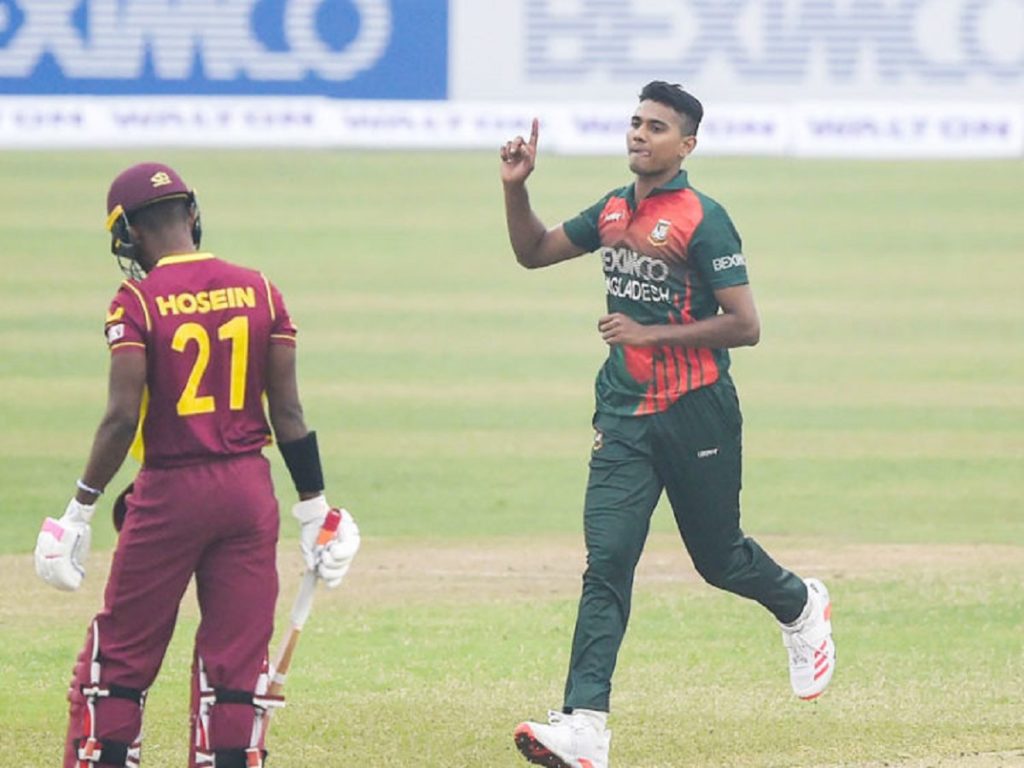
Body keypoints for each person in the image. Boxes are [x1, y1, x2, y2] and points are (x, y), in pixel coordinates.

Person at [500, 82, 835, 768]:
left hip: (696, 410)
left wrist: (649, 334)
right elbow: (533, 251)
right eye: (635, 122)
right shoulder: (613, 209)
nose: (639, 134)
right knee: (608, 562)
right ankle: (585, 726)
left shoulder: (704, 219)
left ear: (686, 145)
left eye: (656, 127)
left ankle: (799, 603)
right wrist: (516, 187)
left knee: (719, 559)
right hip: (623, 415)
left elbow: (746, 325)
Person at [33, 162, 360, 768]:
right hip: (249, 494)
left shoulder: (136, 300)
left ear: (129, 233)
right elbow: (288, 412)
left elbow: (121, 417)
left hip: (170, 492)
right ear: (191, 213)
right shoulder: (261, 290)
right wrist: (316, 509)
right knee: (236, 668)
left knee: (118, 661)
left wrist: (79, 508)